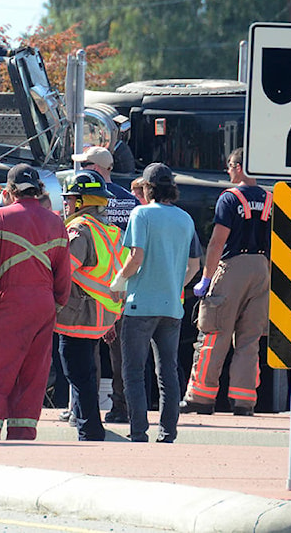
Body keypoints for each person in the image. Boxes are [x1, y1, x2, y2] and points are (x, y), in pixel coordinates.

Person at [0, 164, 71, 440]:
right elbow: (64, 274)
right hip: (43, 305)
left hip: (7, 303)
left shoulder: (1, 218)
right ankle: (23, 435)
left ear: (10, 190)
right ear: (39, 190)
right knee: (33, 375)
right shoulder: (56, 222)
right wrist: (55, 305)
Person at [110, 163, 200, 443]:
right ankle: (168, 432)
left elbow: (135, 257)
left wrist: (119, 281)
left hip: (140, 306)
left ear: (147, 188)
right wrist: (173, 285)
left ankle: (138, 431)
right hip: (172, 307)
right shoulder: (185, 219)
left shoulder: (141, 213)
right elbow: (194, 265)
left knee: (134, 371)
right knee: (168, 372)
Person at [182, 147, 272, 416]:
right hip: (261, 269)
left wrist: (207, 278)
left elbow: (217, 241)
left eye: (231, 165)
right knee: (249, 339)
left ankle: (201, 397)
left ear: (242, 167)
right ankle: (244, 401)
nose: (228, 170)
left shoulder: (230, 198)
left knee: (214, 333)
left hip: (233, 268)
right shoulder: (271, 199)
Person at [55, 170, 128, 441]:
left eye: (70, 198)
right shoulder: (111, 230)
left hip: (77, 315)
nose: (65, 203)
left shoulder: (80, 230)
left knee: (77, 373)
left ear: (83, 200)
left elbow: (65, 270)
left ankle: (89, 429)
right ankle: (90, 427)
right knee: (85, 372)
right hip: (102, 315)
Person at [70, 145, 141, 424]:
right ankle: (121, 407)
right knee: (121, 353)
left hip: (90, 287)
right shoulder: (130, 200)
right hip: (123, 286)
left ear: (97, 168)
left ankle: (82, 410)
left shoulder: (90, 201)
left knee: (87, 350)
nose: (80, 168)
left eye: (85, 164)